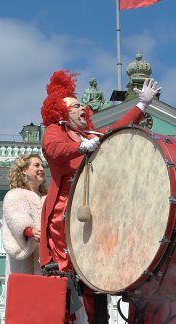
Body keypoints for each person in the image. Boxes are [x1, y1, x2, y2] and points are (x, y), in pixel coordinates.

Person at [39, 69, 161, 271]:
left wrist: (142, 105)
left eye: (83, 107)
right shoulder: (56, 130)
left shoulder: (88, 135)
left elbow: (116, 129)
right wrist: (79, 147)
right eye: (76, 107)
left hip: (92, 205)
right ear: (62, 112)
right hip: (66, 207)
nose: (83, 110)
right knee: (69, 267)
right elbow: (53, 149)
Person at [1, 153, 46, 276]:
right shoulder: (14, 195)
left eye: (42, 166)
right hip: (24, 263)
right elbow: (15, 218)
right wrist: (28, 231)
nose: (41, 169)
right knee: (25, 292)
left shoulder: (46, 199)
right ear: (24, 170)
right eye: (36, 165)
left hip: (46, 259)